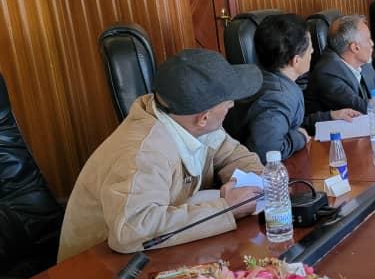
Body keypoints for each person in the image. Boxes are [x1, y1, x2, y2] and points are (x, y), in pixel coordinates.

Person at [58, 49, 265, 261]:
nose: (232, 104)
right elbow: (133, 229)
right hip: (98, 267)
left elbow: (233, 154)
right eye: (228, 103)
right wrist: (227, 208)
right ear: (203, 118)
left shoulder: (182, 115)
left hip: (155, 251)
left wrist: (258, 180)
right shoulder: (143, 153)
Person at [225, 14, 361, 162]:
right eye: (310, 48)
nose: (312, 51)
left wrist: (330, 116)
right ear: (295, 60)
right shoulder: (277, 98)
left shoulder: (268, 79)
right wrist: (299, 137)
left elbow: (287, 124)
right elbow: (266, 153)